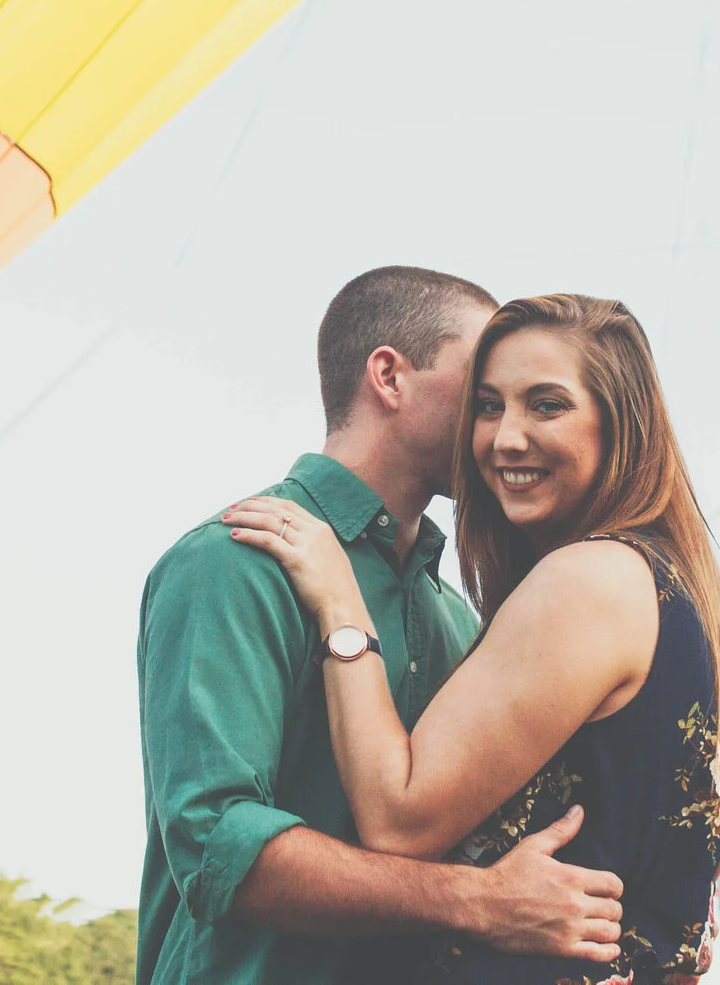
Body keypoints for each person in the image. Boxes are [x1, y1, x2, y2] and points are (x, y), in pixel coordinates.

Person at [224, 294, 720, 983]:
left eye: (547, 404)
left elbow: (398, 819)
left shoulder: (588, 580)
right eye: (488, 405)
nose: (504, 437)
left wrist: (339, 599)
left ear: (621, 425)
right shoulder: (661, 587)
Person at [137, 268, 632, 984]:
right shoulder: (230, 562)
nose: (500, 426)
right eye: (482, 391)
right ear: (390, 377)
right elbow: (218, 845)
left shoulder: (456, 616)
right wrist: (478, 901)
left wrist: (600, 929)